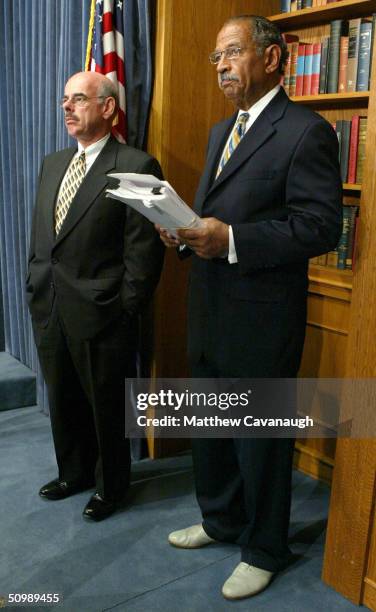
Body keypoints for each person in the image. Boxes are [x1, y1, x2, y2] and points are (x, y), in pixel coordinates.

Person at [156, 15, 342, 601]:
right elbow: (216, 212)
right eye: (216, 58)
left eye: (232, 53)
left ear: (272, 58)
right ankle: (221, 521)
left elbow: (319, 227)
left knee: (259, 439)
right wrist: (182, 230)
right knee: (213, 429)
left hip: (263, 314)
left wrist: (231, 239)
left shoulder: (306, 130)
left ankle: (264, 548)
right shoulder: (220, 132)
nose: (221, 67)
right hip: (211, 304)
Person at [27, 71, 164, 522]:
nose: (66, 107)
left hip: (104, 314)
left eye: (78, 99)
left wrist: (125, 310)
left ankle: (112, 487)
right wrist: (34, 285)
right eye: (64, 99)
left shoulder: (137, 166)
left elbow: (142, 254)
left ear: (107, 107)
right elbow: (43, 239)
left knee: (106, 407)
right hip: (49, 306)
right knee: (62, 398)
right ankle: (74, 473)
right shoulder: (52, 164)